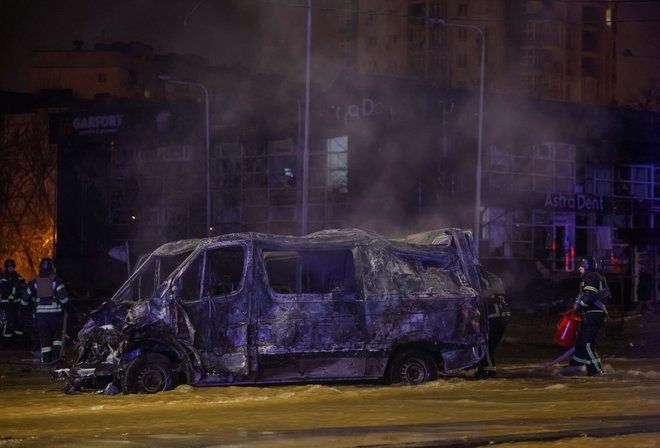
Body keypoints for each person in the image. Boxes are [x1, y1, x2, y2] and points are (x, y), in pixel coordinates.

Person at [21, 258, 70, 363]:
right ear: (52, 267)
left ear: (40, 268)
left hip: (41, 317)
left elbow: (25, 298)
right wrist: (67, 306)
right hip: (55, 315)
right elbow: (64, 298)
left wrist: (26, 306)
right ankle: (57, 358)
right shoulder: (56, 279)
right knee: (57, 336)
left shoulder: (35, 281)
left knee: (45, 339)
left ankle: (46, 361)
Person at [567, 256, 609, 376]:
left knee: (587, 344)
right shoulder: (597, 276)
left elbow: (589, 296)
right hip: (594, 314)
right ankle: (576, 367)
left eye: (581, 265)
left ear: (586, 266)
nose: (579, 268)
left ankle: (596, 371)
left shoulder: (591, 277)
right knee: (581, 343)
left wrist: (578, 305)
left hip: (593, 314)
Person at [476, 270, 510, 378]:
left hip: (494, 316)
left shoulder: (480, 278)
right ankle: (485, 369)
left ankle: (489, 372)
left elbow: (482, 296)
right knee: (491, 345)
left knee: (486, 345)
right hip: (503, 315)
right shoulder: (493, 276)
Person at [0, 259, 27, 344]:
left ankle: (18, 341)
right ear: (6, 268)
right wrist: (12, 294)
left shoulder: (18, 276)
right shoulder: (3, 278)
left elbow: (23, 285)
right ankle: (6, 342)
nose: (11, 268)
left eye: (12, 267)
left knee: (18, 320)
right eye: (9, 267)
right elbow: (5, 289)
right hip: (7, 303)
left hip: (16, 303)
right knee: (9, 321)